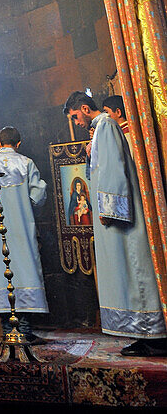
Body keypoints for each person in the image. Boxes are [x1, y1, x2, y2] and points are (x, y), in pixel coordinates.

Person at [64, 92, 167, 356]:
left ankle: (153, 337)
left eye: (75, 116)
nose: (75, 122)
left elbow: (113, 166)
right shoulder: (100, 129)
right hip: (110, 214)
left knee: (134, 269)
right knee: (124, 273)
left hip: (118, 214)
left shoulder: (107, 125)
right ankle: (141, 334)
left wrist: (110, 209)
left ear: (85, 109)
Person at [0, 125, 48, 343]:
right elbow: (38, 193)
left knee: (2, 271)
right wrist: (27, 204)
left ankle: (8, 328)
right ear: (19, 143)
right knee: (25, 270)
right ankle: (23, 329)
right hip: (23, 225)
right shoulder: (26, 163)